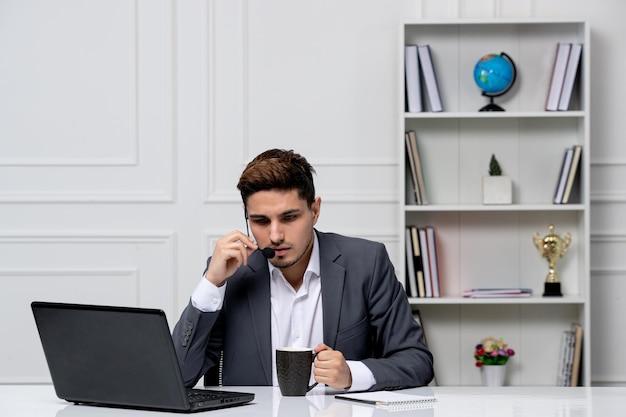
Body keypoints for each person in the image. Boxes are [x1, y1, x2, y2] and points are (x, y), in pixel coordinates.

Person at [172, 149, 433, 391]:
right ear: (246, 216)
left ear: (315, 210)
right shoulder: (230, 274)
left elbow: (416, 361)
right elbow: (178, 377)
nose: (275, 236)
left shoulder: (367, 262)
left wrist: (352, 374)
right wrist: (211, 283)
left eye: (289, 218)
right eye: (260, 221)